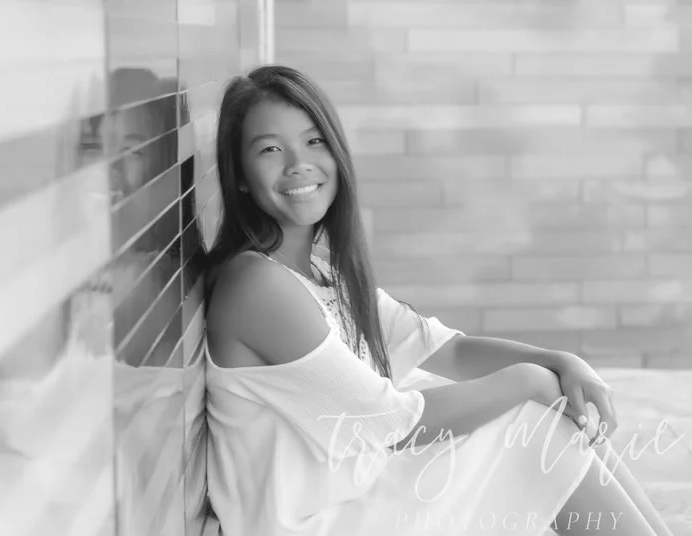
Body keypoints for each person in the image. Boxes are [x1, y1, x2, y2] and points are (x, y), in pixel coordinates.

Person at [203, 65, 673, 536]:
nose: (297, 164)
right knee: (536, 425)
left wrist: (561, 363)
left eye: (314, 141)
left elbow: (452, 351)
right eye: (270, 149)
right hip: (317, 523)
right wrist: (530, 379)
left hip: (353, 500)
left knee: (546, 411)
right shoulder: (257, 284)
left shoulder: (320, 274)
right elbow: (391, 424)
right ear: (240, 174)